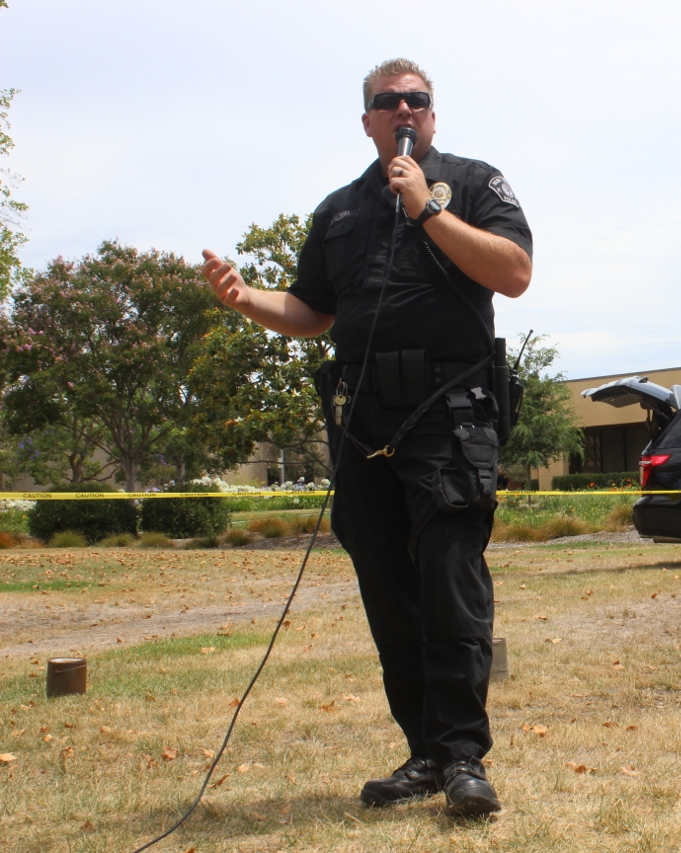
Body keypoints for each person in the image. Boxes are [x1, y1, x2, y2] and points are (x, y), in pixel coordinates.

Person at [200, 58, 531, 816]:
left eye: (418, 100)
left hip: (451, 413)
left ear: (433, 116)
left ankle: (463, 757)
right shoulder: (340, 212)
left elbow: (514, 273)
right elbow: (311, 310)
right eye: (390, 101)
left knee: (451, 582)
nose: (405, 109)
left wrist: (426, 210)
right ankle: (424, 750)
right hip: (367, 421)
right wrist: (247, 298)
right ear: (368, 120)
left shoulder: (473, 184)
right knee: (389, 591)